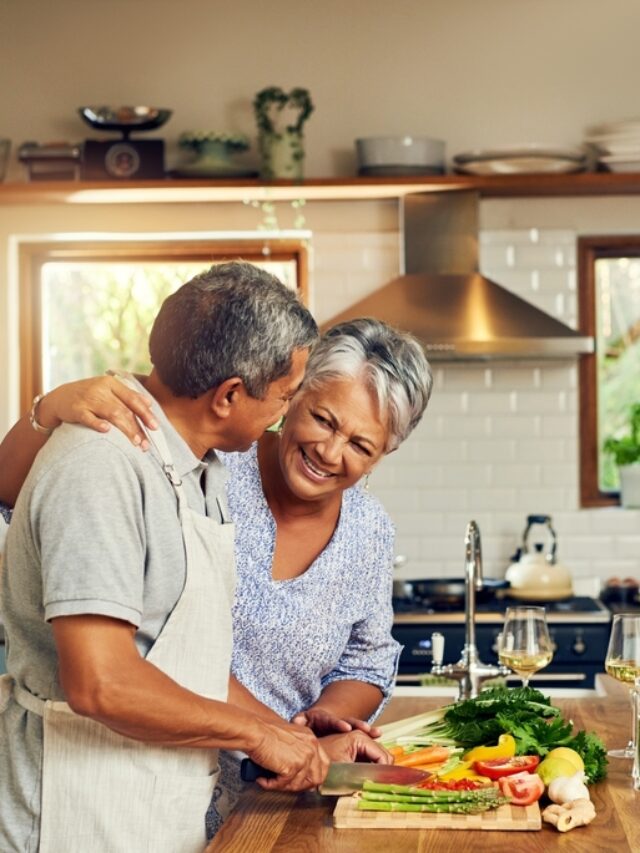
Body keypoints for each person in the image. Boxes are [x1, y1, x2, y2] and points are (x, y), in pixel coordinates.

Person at [0, 263, 390, 853]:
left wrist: (297, 742)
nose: (284, 419)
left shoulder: (197, 468)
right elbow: (101, 683)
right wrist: (258, 738)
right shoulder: (101, 466)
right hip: (72, 810)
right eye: (286, 399)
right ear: (230, 394)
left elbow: (180, 659)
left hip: (150, 803)